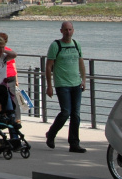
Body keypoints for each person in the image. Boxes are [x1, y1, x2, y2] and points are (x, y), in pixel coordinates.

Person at [45, 21, 87, 153]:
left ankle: (74, 143)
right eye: (65, 30)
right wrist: (49, 86)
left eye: (70, 29)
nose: (68, 32)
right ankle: (51, 134)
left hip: (76, 84)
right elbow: (48, 66)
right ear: (61, 31)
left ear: (73, 30)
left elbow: (81, 62)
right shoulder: (55, 45)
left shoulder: (76, 44)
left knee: (76, 114)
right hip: (62, 84)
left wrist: (84, 79)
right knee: (66, 112)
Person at [0, 32, 21, 122]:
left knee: (2, 97)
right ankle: (17, 117)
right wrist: (16, 79)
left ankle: (6, 115)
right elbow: (13, 64)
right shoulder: (9, 50)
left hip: (3, 77)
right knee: (13, 97)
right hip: (11, 76)